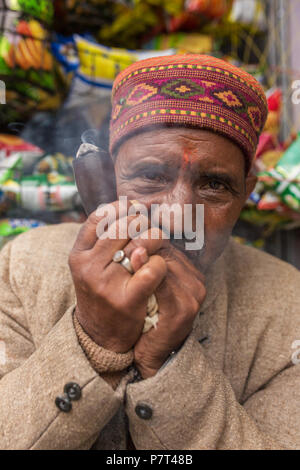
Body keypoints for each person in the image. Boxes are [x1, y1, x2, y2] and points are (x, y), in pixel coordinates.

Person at [0, 54, 299, 450]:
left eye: (213, 184)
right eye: (150, 176)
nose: (176, 214)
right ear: (104, 180)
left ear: (244, 194)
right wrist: (95, 340)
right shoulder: (23, 267)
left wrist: (171, 363)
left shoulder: (288, 308)